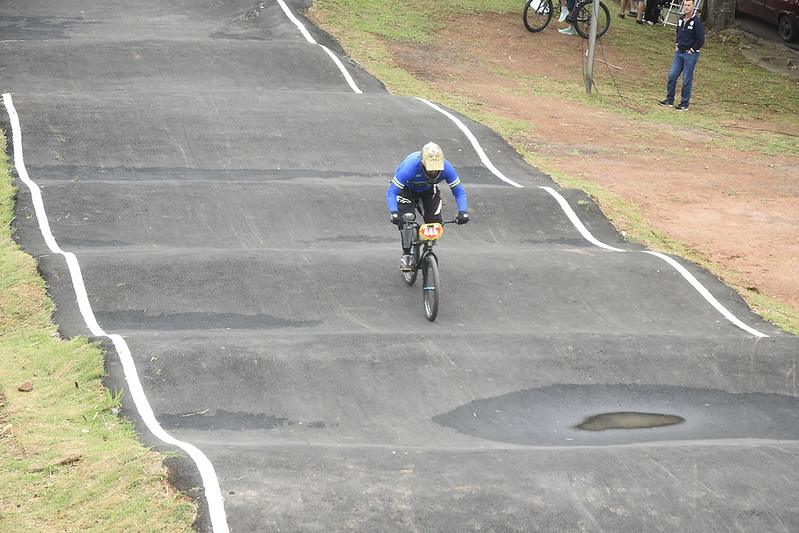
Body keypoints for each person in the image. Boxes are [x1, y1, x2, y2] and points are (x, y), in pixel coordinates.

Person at [387, 142, 469, 271]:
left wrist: (462, 211)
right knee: (408, 217)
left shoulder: (446, 167)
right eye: (431, 167)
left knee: (435, 221)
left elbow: (459, 191)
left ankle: (428, 248)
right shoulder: (411, 167)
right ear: (423, 163)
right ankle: (407, 254)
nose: (434, 171)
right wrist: (394, 212)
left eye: (437, 167)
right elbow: (391, 192)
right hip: (406, 189)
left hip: (428, 190)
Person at [659, 0, 704, 111]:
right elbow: (678, 32)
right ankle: (669, 100)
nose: (686, 7)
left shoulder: (697, 22)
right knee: (672, 76)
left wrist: (692, 50)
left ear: (693, 7)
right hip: (679, 53)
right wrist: (677, 44)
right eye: (685, 5)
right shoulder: (680, 19)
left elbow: (701, 39)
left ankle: (684, 103)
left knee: (686, 79)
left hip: (690, 54)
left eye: (689, 5)